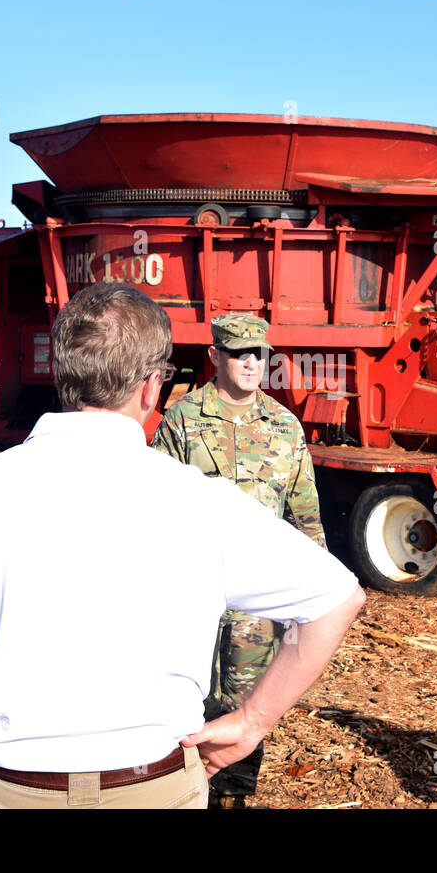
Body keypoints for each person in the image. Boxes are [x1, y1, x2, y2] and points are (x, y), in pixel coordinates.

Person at [0, 285, 365, 809]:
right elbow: (337, 598)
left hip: (3, 789)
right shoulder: (199, 500)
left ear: (60, 373)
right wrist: (253, 722)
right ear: (152, 387)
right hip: (154, 789)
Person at [152, 313, 325, 807]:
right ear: (215, 357)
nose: (251, 363)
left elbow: (305, 520)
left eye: (259, 354)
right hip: (192, 604)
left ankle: (231, 800)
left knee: (245, 715)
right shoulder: (183, 420)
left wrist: (311, 607)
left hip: (257, 611)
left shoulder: (284, 427)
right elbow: (156, 513)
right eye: (239, 353)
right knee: (180, 713)